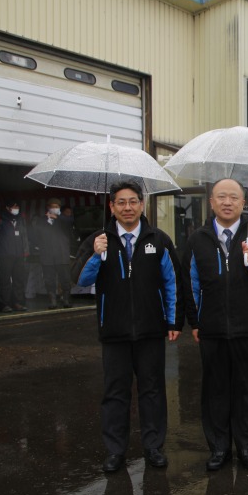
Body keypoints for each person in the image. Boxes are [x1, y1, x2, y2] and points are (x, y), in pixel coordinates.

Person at [72, 180, 185, 473]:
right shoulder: (99, 240)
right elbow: (80, 280)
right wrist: (96, 254)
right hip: (114, 332)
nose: (127, 207)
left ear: (142, 204)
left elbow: (173, 282)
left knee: (152, 391)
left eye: (133, 201)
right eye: (121, 202)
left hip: (151, 330)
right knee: (115, 394)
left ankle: (153, 447)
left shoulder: (158, 240)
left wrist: (174, 320)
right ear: (111, 207)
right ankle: (114, 451)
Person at [182, 178, 248, 471]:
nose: (227, 202)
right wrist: (195, 321)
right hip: (211, 327)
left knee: (246, 388)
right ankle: (218, 448)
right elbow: (189, 284)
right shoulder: (197, 239)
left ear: (243, 203)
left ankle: (246, 447)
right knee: (215, 389)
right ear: (212, 202)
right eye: (221, 197)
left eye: (233, 197)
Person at [33, 198, 72, 309]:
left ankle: (66, 300)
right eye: (52, 206)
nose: (54, 208)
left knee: (65, 278)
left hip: (62, 254)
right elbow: (36, 233)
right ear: (48, 207)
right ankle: (53, 300)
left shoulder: (64, 219)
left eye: (56, 206)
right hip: (47, 255)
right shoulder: (41, 220)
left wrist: (58, 218)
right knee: (49, 279)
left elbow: (70, 223)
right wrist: (48, 220)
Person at [0, 199, 30, 312]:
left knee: (18, 279)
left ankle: (17, 302)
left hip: (19, 254)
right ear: (7, 208)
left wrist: (26, 251)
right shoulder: (0, 219)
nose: (16, 209)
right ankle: (4, 304)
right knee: (5, 280)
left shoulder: (21, 220)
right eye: (13, 206)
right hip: (5, 254)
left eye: (17, 206)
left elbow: (25, 236)